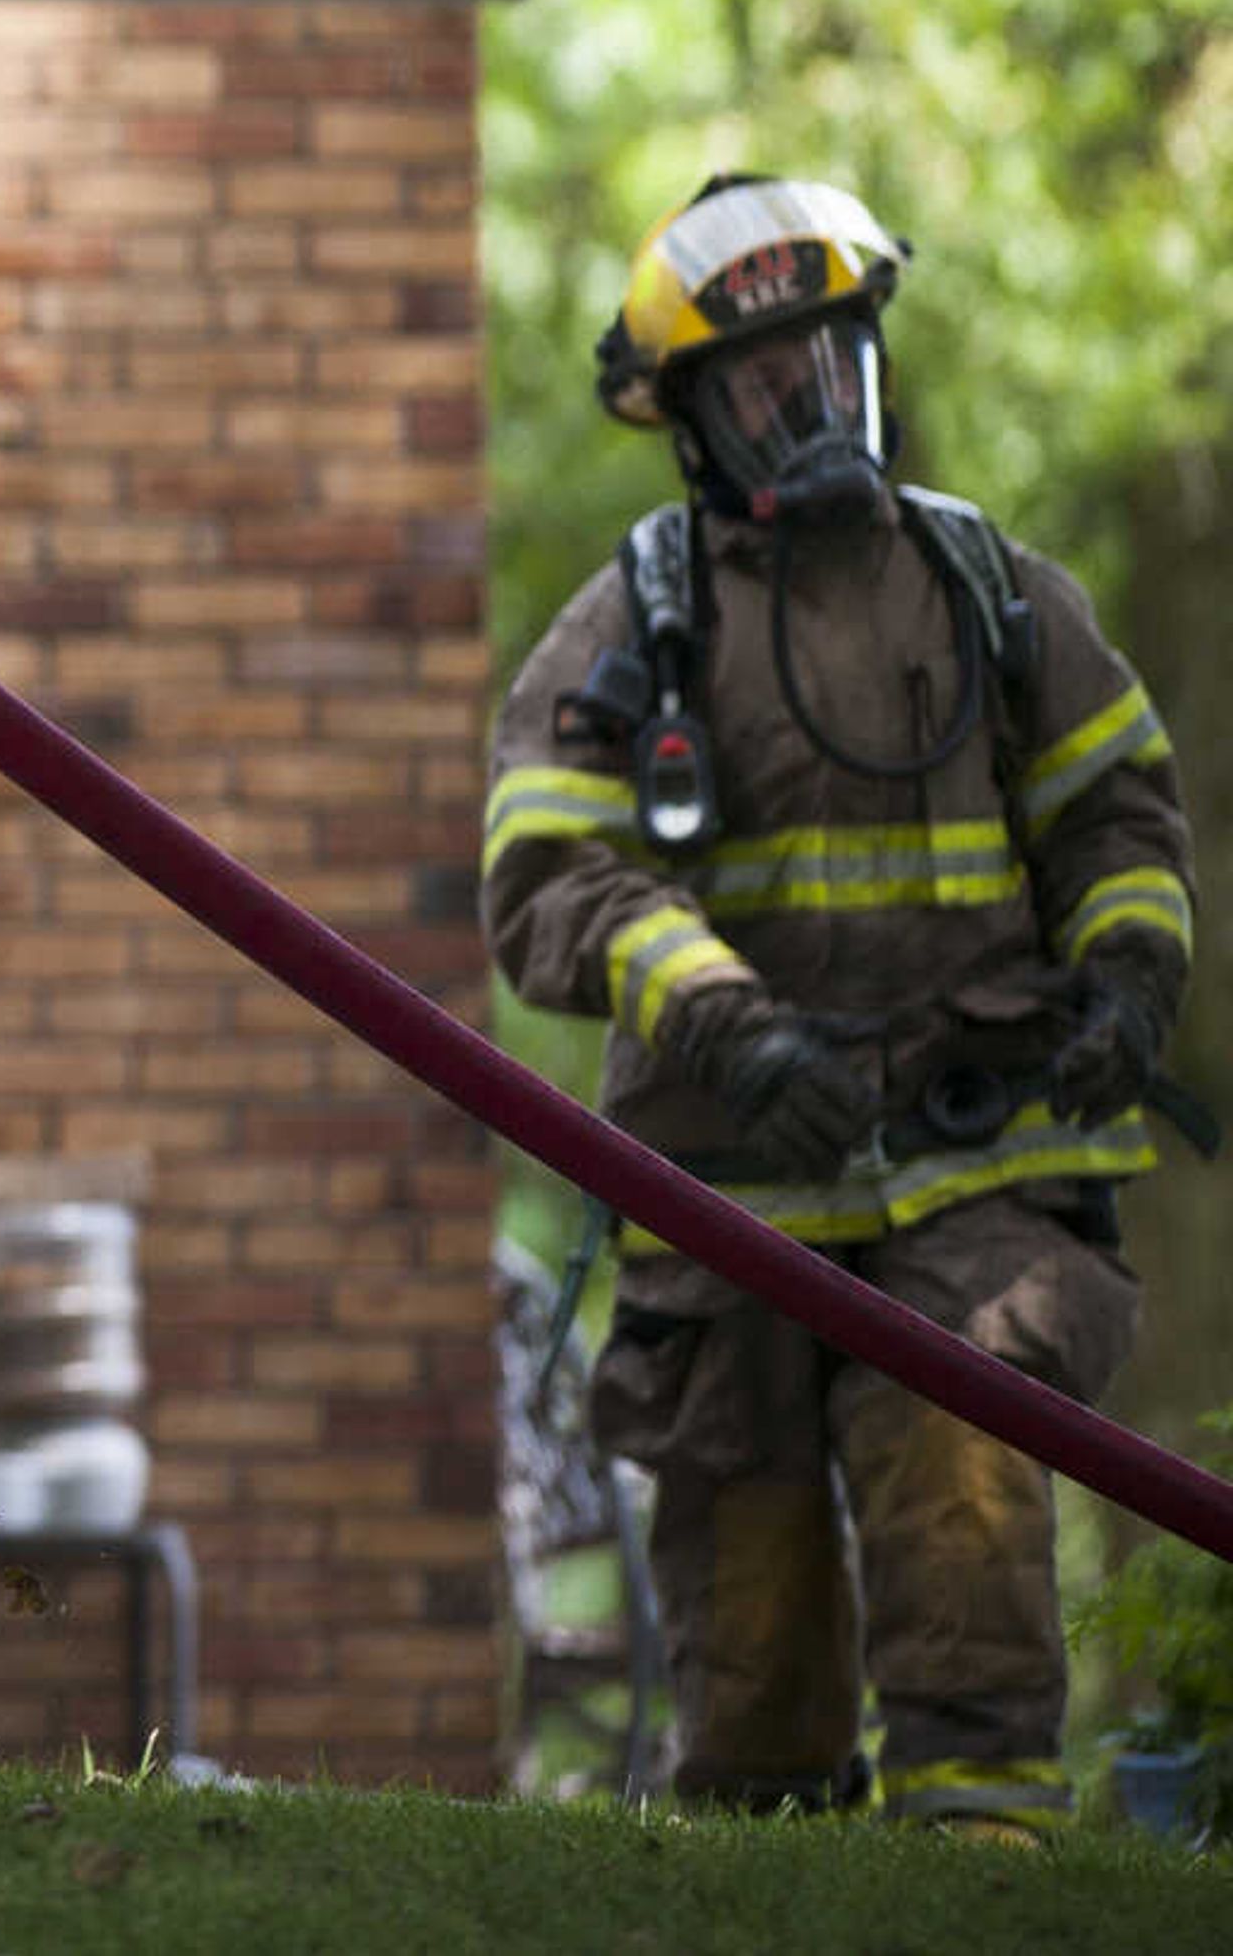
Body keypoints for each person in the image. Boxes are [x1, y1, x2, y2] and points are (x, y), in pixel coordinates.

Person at [483, 175, 1196, 1839]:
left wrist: (1128, 973)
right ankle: (766, 1877)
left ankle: (984, 1868)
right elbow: (546, 878)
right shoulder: (636, 627)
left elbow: (1123, 820)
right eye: (763, 381)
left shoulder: (987, 592)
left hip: (975, 1182)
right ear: (693, 420)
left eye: (832, 360)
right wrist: (733, 1024)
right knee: (754, 1623)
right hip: (734, 1205)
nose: (811, 405)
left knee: (965, 1502)